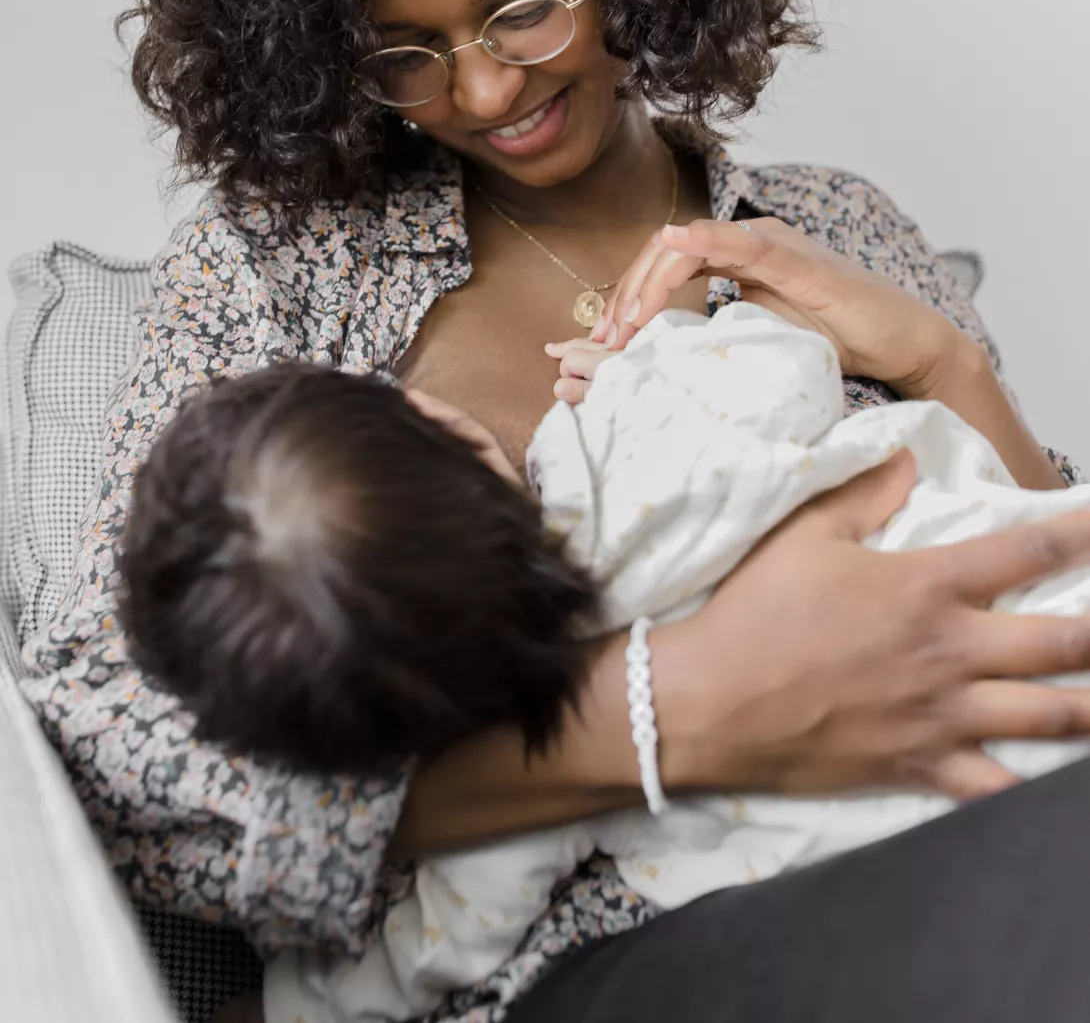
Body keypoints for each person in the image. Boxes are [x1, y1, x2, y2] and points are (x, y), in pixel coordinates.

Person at [19, 0, 1090, 1023]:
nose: (476, 86)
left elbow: (1032, 572)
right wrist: (671, 707)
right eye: (401, 50)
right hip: (609, 947)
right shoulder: (272, 275)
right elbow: (119, 764)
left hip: (952, 823)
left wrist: (948, 364)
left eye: (524, 3)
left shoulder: (832, 225)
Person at [118, 283, 1090, 1023]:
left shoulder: (509, 802)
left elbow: (427, 955)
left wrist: (289, 1003)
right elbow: (777, 363)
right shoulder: (625, 440)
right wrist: (663, 342)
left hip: (927, 813)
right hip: (1038, 634)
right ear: (440, 420)